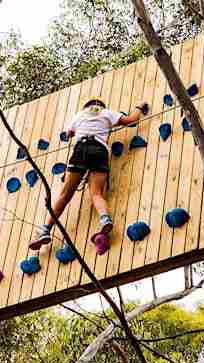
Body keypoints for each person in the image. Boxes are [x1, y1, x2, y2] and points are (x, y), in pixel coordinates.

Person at [29, 98, 148, 253]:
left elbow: (69, 133)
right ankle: (105, 218)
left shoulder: (79, 115)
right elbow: (131, 120)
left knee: (65, 195)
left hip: (81, 148)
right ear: (101, 106)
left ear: (87, 106)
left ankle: (45, 230)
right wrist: (139, 106)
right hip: (100, 150)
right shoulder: (107, 113)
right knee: (96, 193)